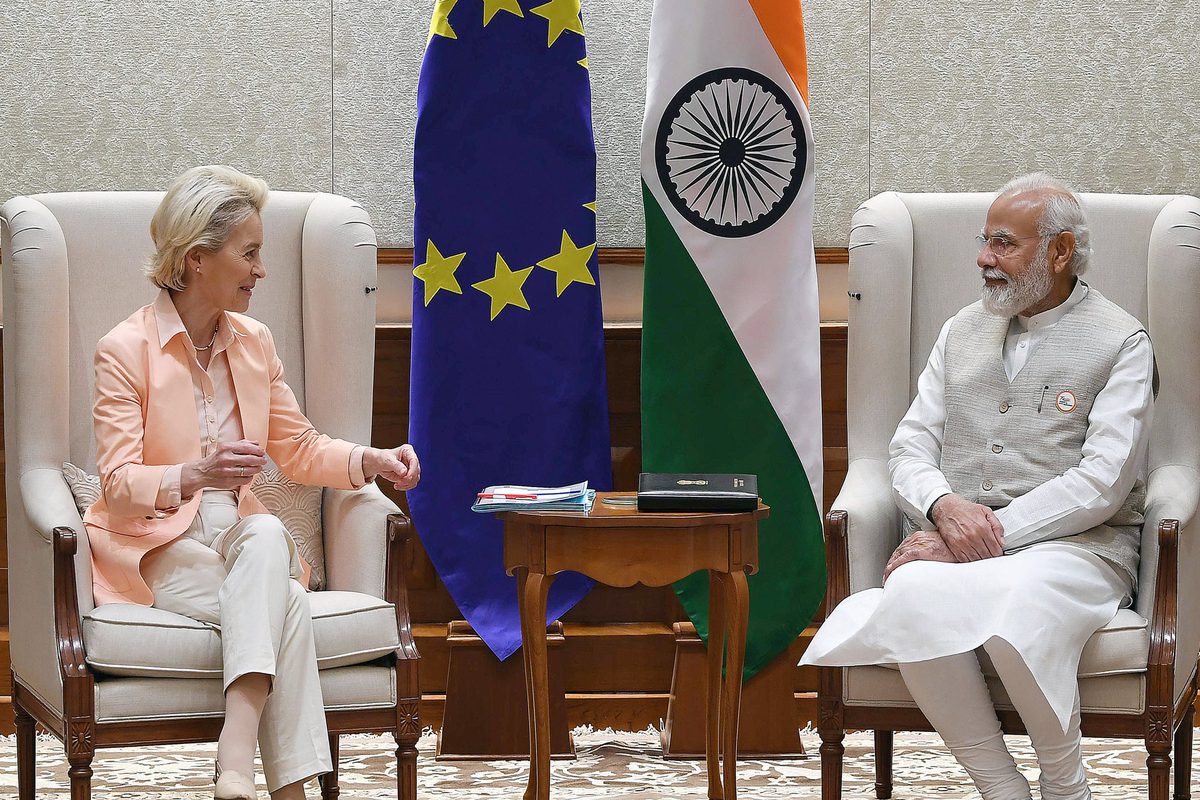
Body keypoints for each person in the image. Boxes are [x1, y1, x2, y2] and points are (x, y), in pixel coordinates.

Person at [802, 173, 1155, 800]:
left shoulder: (1122, 340)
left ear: (1060, 251)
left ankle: (1065, 785)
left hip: (1078, 549)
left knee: (1017, 604)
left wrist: (980, 535)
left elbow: (1103, 482)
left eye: (1003, 244)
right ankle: (1000, 787)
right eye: (983, 242)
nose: (983, 259)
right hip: (953, 535)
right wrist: (942, 506)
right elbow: (910, 444)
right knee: (910, 590)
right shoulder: (960, 329)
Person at [83, 165, 422, 800]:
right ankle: (277, 784)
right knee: (286, 606)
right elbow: (119, 482)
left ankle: (234, 758)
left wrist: (370, 460)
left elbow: (297, 448)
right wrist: (194, 475)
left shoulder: (254, 342)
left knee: (266, 531)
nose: (261, 270)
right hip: (153, 546)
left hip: (240, 533)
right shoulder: (123, 350)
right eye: (250, 253)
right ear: (196, 259)